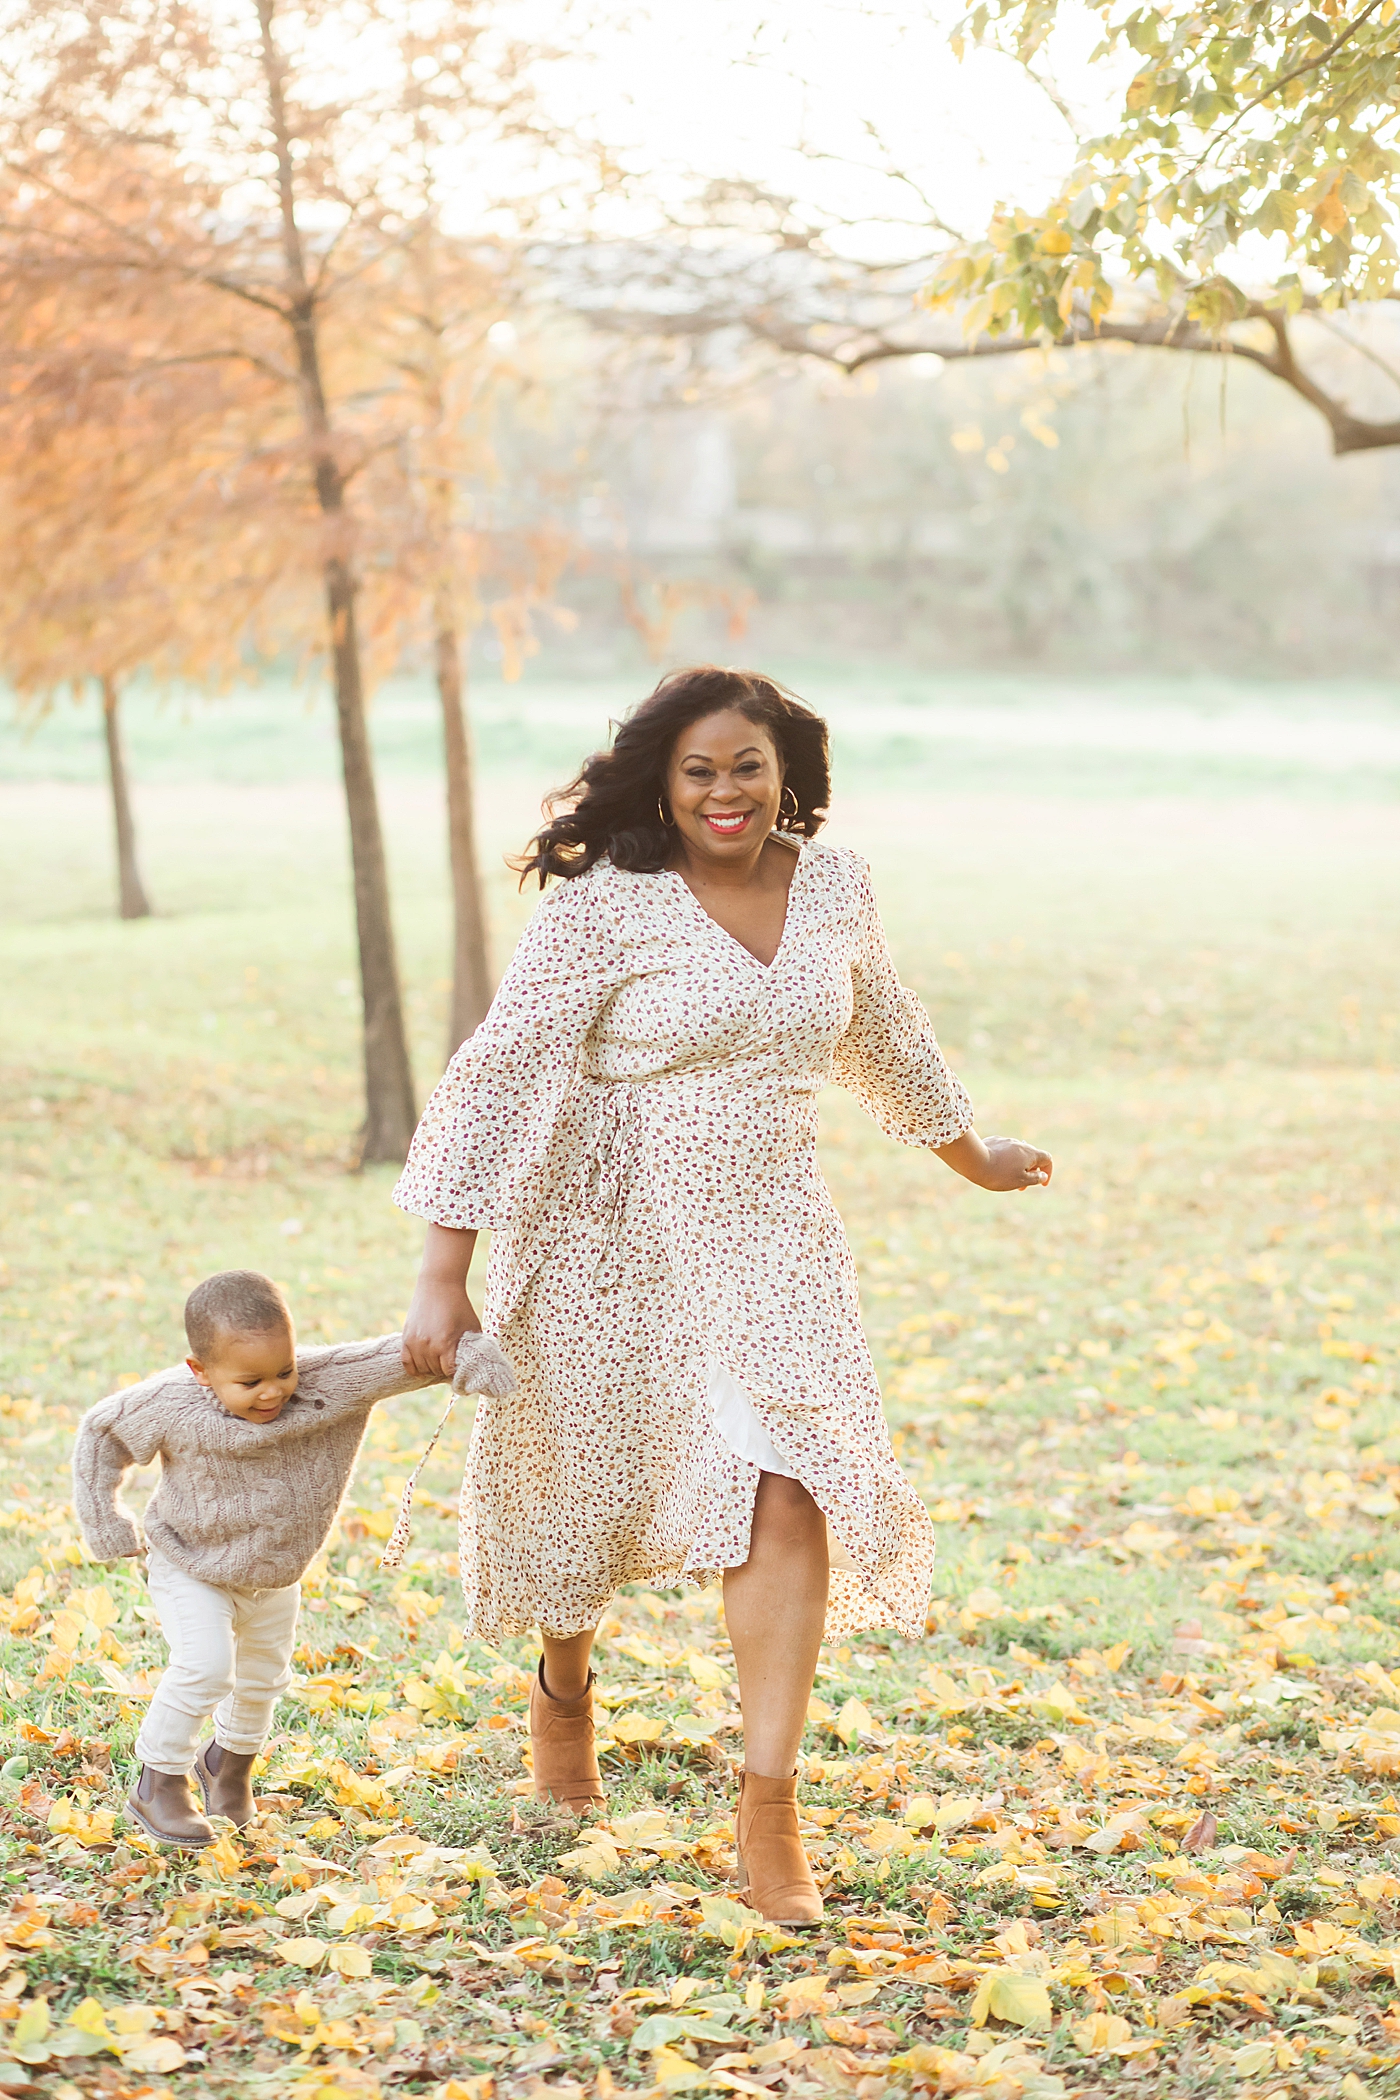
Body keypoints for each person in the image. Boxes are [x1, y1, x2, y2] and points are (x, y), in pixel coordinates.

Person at [397, 665, 1052, 1924]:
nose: (722, 792)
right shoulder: (605, 905)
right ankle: (564, 1684)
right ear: (663, 778)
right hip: (606, 1210)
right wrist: (443, 1273)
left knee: (789, 1476)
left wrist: (974, 1156)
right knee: (585, 1475)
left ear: (782, 770)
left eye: (744, 766)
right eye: (696, 770)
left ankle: (767, 1808)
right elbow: (498, 1073)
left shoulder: (837, 887)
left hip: (769, 1225)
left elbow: (884, 1030)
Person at [72, 1267, 513, 1847]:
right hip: (189, 1563)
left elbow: (399, 1359)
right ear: (199, 1372)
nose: (275, 1390)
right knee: (205, 1666)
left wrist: (466, 1356)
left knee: (261, 1680)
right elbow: (101, 1432)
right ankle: (159, 1781)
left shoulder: (321, 1383)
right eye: (250, 1381)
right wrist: (106, 1522)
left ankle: (227, 1768)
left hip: (275, 1576)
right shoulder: (170, 1403)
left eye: (285, 1370)